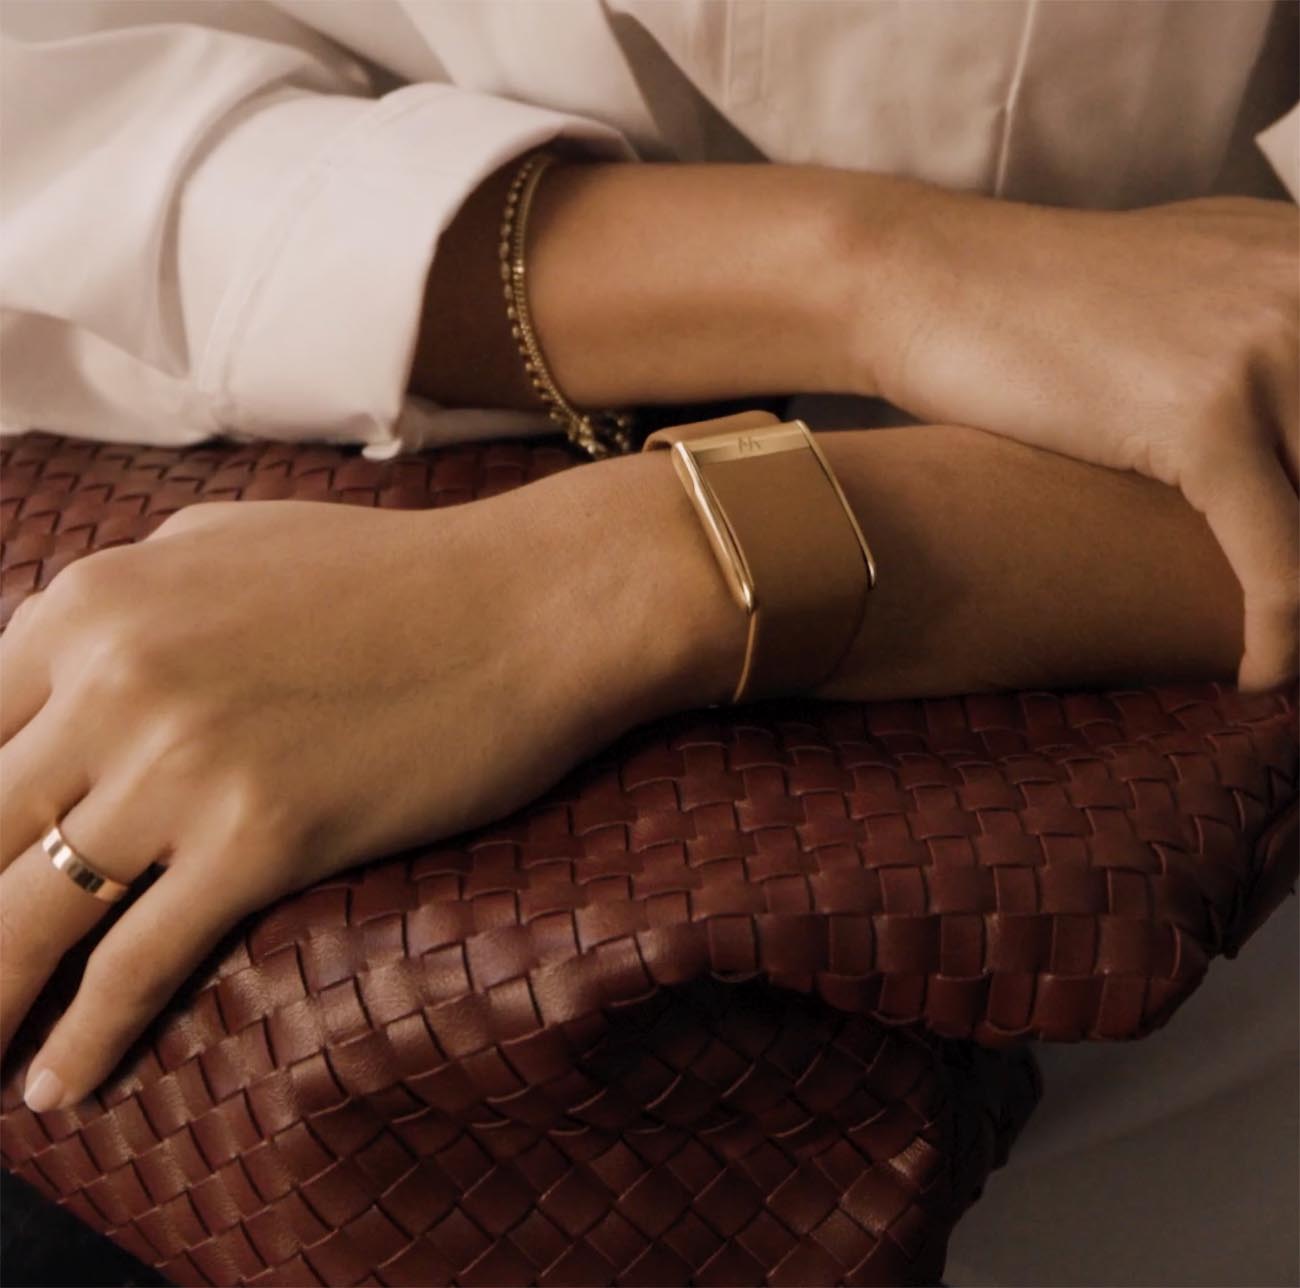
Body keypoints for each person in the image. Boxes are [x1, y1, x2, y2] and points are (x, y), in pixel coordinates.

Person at [0, 0, 1295, 1189]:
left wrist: (625, 570)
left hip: (1109, 974)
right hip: (226, 583)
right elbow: (59, 125)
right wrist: (877, 271)